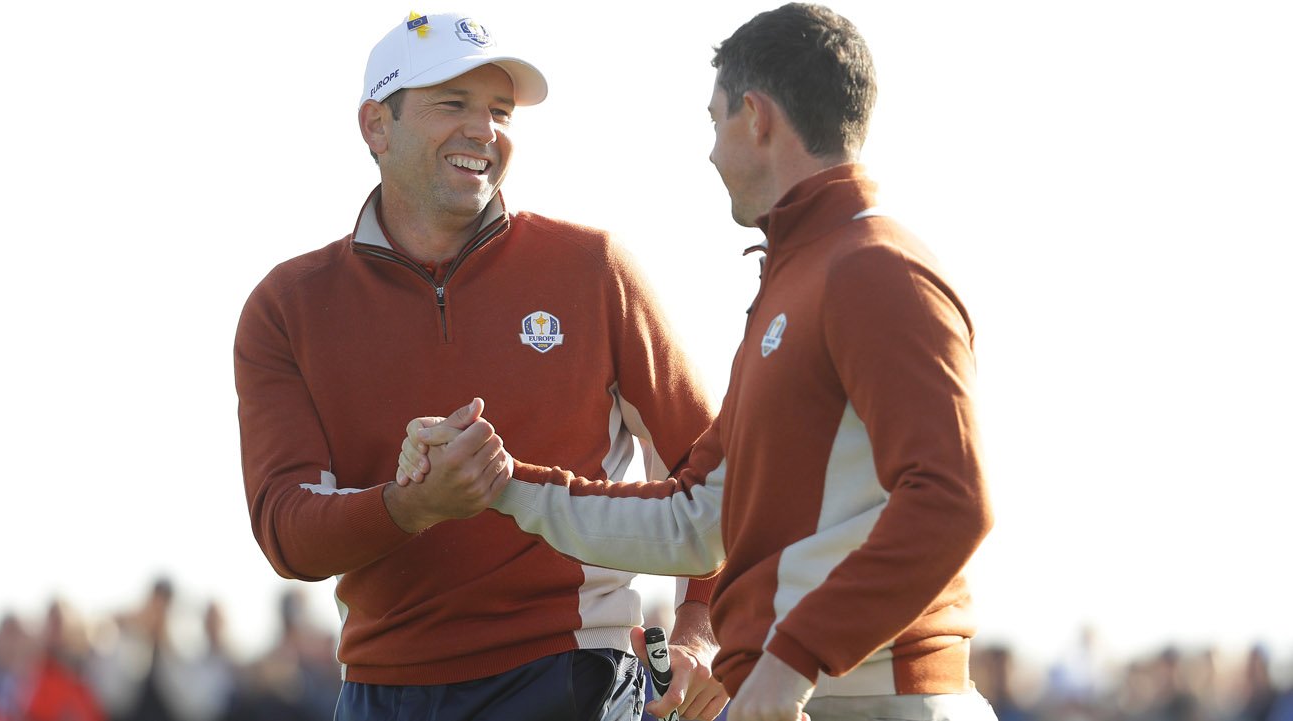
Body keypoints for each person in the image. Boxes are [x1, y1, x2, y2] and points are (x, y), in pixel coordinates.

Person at [402, 4, 995, 721]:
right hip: (807, 693)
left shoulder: (874, 269)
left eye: (715, 122)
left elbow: (952, 499)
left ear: (757, 117)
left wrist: (793, 657)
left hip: (876, 698)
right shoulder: (797, 277)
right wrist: (498, 483)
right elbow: (696, 514)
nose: (711, 151)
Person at [232, 8, 725, 721]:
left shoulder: (594, 268)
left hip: (575, 675)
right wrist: (414, 506)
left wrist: (701, 631)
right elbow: (287, 528)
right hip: (380, 689)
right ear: (376, 125)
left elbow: (718, 477)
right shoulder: (286, 305)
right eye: (452, 104)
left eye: (499, 110)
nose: (484, 130)